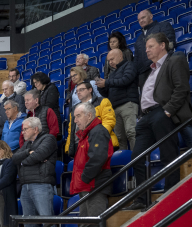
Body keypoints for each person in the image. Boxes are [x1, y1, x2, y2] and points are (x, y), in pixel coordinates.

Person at [125, 33, 192, 210]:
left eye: (151, 46)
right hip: (145, 117)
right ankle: (142, 199)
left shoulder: (175, 59)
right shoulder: (151, 70)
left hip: (162, 113)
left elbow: (182, 88)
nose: (146, 50)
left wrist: (167, 111)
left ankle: (171, 194)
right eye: (146, 47)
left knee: (168, 155)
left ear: (163, 45)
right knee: (137, 157)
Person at [12, 117, 61, 227]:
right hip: (25, 186)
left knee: (47, 221)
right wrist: (28, 153)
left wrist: (24, 161)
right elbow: (14, 158)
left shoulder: (49, 139)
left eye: (25, 129)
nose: (22, 132)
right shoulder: (27, 144)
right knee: (30, 223)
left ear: (35, 129)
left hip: (41, 184)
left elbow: (39, 155)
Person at [69, 103, 114, 227]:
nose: (75, 120)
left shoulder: (98, 131)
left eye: (78, 116)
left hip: (95, 185)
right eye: (74, 117)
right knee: (84, 224)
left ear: (89, 116)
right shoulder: (87, 133)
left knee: (95, 223)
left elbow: (98, 158)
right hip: (87, 186)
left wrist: (85, 177)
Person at [96, 49, 139, 151]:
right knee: (119, 138)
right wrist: (101, 87)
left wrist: (107, 83)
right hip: (115, 108)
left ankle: (138, 158)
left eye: (112, 59)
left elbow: (126, 80)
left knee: (131, 132)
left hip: (128, 104)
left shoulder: (129, 65)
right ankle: (124, 160)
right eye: (108, 61)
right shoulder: (112, 74)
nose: (110, 62)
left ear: (120, 56)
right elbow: (107, 93)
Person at [65, 82, 118, 155]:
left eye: (81, 90)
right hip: (80, 146)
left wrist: (97, 137)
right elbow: (71, 130)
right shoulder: (74, 109)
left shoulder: (102, 101)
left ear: (90, 89)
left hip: (101, 143)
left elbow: (109, 121)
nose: (78, 92)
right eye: (77, 91)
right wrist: (69, 149)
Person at [134, 9, 176, 87]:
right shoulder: (138, 39)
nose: (141, 21)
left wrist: (164, 64)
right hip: (144, 74)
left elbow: (170, 45)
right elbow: (136, 59)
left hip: (161, 66)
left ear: (151, 16)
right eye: (139, 20)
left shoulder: (163, 26)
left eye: (143, 17)